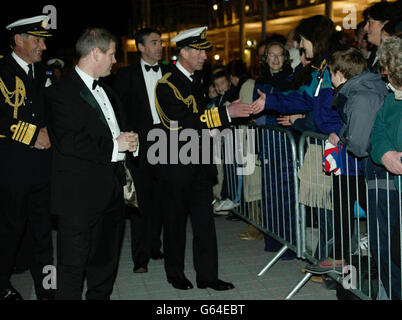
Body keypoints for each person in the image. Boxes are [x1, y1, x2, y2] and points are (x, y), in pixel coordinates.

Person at [154, 26, 251, 291]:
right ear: (183, 52)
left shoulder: (196, 80)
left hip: (200, 163)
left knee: (204, 223)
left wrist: (214, 127)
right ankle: (175, 273)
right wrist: (225, 114)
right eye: (198, 51)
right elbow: (178, 124)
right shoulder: (166, 84)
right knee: (175, 222)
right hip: (176, 164)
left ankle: (207, 276)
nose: (204, 56)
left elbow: (198, 121)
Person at [45, 28, 138, 300]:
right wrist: (115, 145)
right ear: (95, 53)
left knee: (105, 264)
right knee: (72, 267)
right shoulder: (59, 92)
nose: (114, 61)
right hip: (77, 196)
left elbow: (116, 131)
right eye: (111, 54)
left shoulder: (109, 91)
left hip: (111, 192)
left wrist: (130, 142)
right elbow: (68, 141)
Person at [305, 47, 388, 274]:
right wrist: (341, 135)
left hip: (366, 165)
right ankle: (342, 256)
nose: (329, 80)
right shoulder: (357, 90)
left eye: (331, 74)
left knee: (373, 212)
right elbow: (351, 124)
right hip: (360, 165)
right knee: (345, 206)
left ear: (340, 73)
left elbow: (360, 139)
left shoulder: (360, 94)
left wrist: (346, 141)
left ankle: (379, 262)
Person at [0, 15, 55, 300]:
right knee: (9, 230)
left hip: (41, 167)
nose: (43, 47)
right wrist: (32, 134)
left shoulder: (42, 72)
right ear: (18, 40)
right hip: (11, 166)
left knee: (42, 231)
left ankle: (47, 286)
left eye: (43, 40)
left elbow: (50, 110)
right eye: (37, 40)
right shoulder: (2, 70)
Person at [113, 28, 165, 274]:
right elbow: (119, 109)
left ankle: (155, 245)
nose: (159, 47)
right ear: (141, 47)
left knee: (162, 199)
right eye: (154, 43)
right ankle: (140, 257)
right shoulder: (126, 75)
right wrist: (128, 139)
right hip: (139, 145)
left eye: (160, 42)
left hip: (167, 144)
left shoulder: (169, 72)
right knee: (140, 201)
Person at [367, 36, 402, 300]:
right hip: (395, 191)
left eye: (386, 66)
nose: (383, 72)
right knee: (394, 254)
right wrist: (384, 153)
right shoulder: (391, 98)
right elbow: (377, 130)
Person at [363, 1, 402, 73]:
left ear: (386, 24)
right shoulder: (374, 54)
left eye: (370, 21)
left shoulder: (395, 58)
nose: (365, 28)